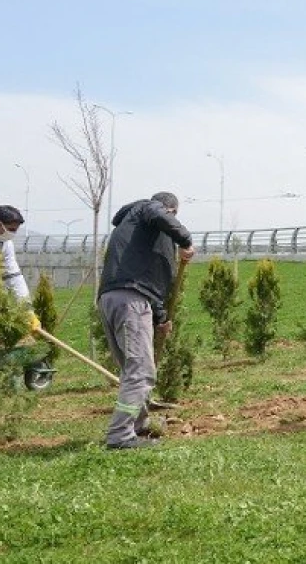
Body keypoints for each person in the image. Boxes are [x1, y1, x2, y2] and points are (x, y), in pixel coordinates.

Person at [98, 192, 195, 450]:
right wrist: (185, 240)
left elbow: (151, 278)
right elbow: (158, 215)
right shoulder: (147, 210)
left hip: (113, 298)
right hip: (130, 300)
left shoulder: (136, 230)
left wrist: (161, 317)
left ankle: (138, 426)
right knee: (141, 371)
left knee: (132, 370)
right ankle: (120, 436)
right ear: (170, 211)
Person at [0, 205, 41, 423]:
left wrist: (28, 311)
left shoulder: (5, 245)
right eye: (10, 229)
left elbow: (13, 277)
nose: (11, 233)